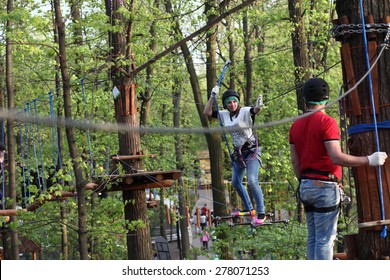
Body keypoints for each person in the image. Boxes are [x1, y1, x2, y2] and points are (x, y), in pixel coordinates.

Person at [289, 77, 387, 260]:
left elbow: (295, 162)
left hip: (306, 186)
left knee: (313, 238)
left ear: (305, 100)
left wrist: (306, 182)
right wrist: (369, 160)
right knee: (325, 241)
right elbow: (335, 156)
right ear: (327, 98)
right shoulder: (327, 122)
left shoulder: (295, 125)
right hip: (324, 187)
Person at [204, 86, 266, 225]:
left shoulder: (244, 111)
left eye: (234, 102)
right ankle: (249, 207)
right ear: (226, 104)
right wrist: (212, 96)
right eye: (229, 102)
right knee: (235, 182)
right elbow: (207, 112)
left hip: (251, 151)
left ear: (238, 102)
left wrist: (258, 106)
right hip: (239, 153)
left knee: (251, 180)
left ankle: (261, 211)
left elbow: (254, 110)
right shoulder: (224, 115)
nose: (232, 105)